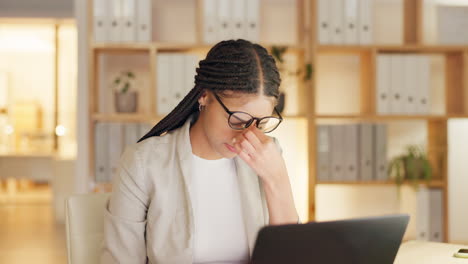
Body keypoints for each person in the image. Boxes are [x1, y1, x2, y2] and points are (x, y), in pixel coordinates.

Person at [101, 39, 299, 264]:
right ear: (205, 96)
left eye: (261, 122)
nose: (248, 136)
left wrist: (277, 180)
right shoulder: (144, 163)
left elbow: (292, 255)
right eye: (238, 120)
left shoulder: (266, 156)